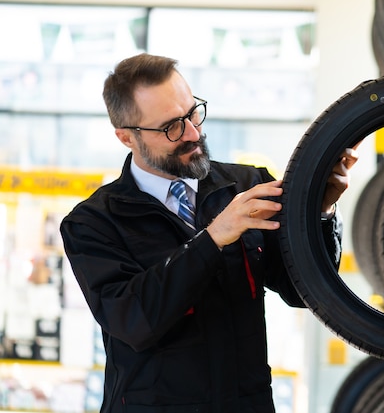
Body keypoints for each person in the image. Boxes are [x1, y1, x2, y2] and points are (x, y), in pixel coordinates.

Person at [59, 53, 358, 413]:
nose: (193, 133)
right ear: (126, 137)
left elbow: (303, 291)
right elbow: (135, 320)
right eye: (172, 127)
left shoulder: (247, 185)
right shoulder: (93, 223)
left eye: (193, 113)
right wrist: (213, 237)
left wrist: (321, 212)